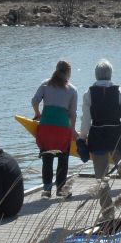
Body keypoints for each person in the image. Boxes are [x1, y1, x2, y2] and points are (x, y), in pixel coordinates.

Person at [80, 59, 121, 221]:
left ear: (96, 75)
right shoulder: (120, 91)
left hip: (98, 138)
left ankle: (108, 214)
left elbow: (86, 121)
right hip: (117, 137)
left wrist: (82, 138)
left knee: (102, 180)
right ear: (110, 75)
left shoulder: (88, 94)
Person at [32, 60, 78, 198]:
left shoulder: (45, 85)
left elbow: (34, 101)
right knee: (63, 160)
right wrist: (73, 130)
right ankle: (60, 190)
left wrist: (38, 114)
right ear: (68, 73)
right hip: (62, 129)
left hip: (46, 128)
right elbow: (73, 114)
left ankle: (46, 191)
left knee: (47, 160)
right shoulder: (72, 90)